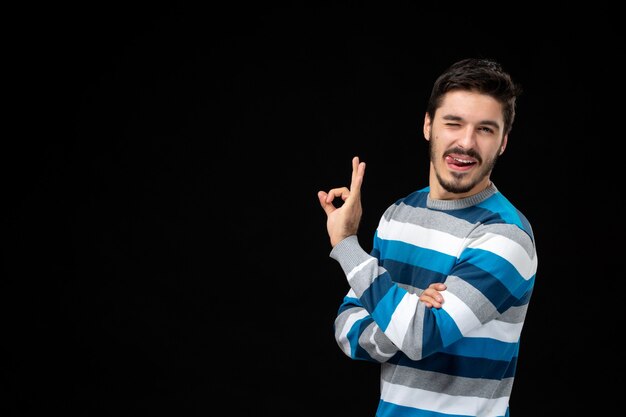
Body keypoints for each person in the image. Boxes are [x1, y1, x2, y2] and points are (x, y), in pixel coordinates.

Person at [317, 58, 538, 417]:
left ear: (503, 142)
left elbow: (420, 337)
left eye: (485, 129)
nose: (466, 142)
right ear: (428, 126)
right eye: (454, 123)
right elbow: (347, 330)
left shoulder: (506, 236)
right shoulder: (398, 215)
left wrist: (346, 246)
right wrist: (412, 303)